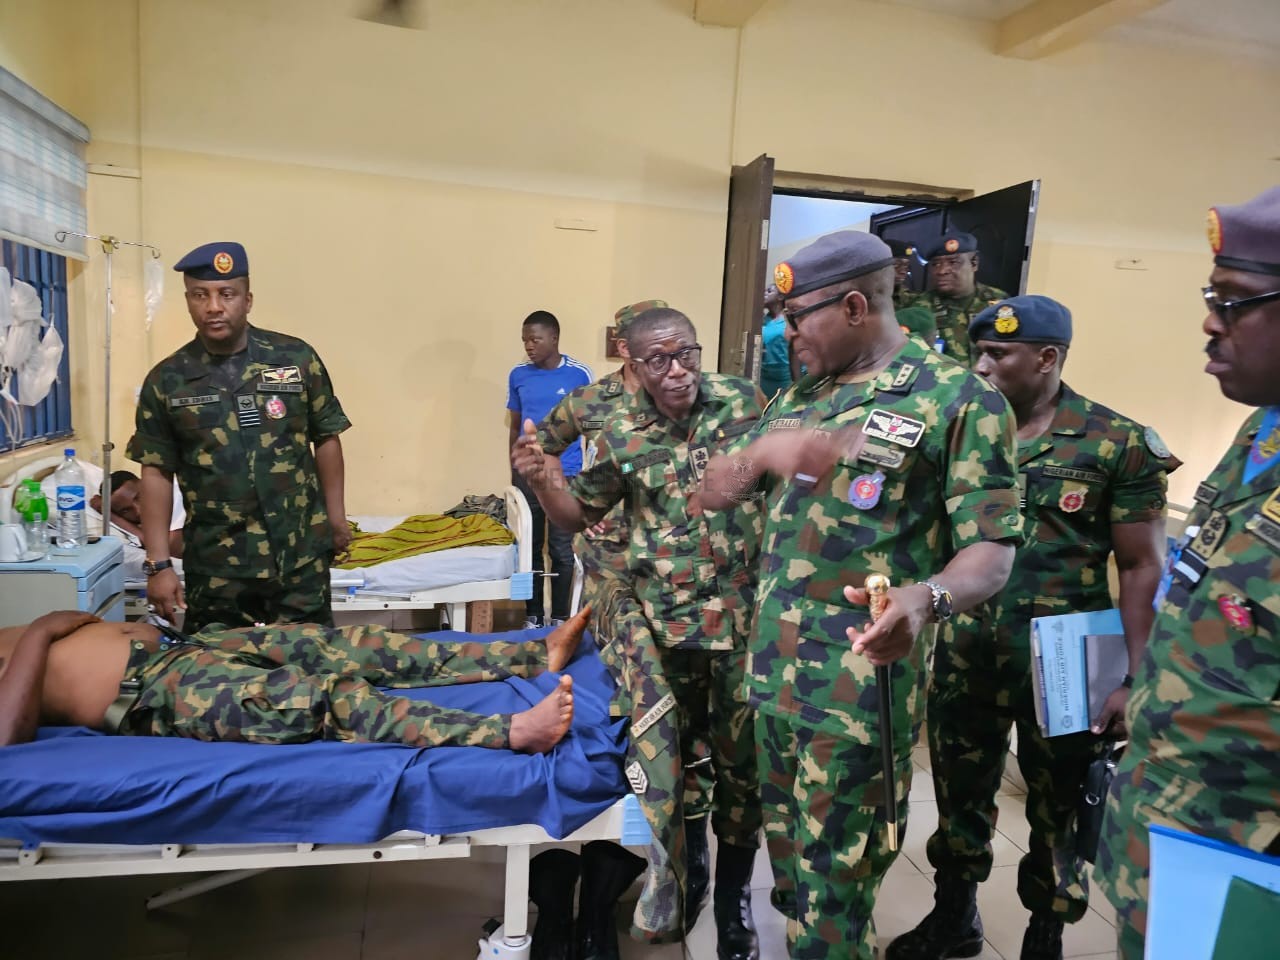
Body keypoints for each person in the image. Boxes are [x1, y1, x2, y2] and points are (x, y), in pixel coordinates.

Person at [699, 230, 1023, 960]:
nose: (786, 332)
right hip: (771, 679)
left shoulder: (959, 401)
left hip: (854, 696)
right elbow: (713, 494)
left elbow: (992, 552)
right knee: (793, 881)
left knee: (834, 896)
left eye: (796, 317)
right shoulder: (799, 395)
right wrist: (761, 451)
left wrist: (927, 598)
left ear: (852, 306)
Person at [889, 295, 1179, 960]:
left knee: (1059, 808)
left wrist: (1135, 675)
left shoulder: (1116, 442)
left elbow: (1141, 566)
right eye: (978, 353)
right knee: (959, 792)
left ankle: (1044, 935)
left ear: (1047, 358)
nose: (982, 367)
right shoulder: (957, 431)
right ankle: (954, 916)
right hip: (969, 647)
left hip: (1070, 659)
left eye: (999, 354)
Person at [513, 306, 765, 959]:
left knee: (744, 766)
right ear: (635, 363)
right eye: (659, 360)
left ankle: (735, 900)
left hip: (745, 624)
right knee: (680, 760)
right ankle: (691, 873)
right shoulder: (621, 427)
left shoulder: (743, 402)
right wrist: (544, 482)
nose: (677, 370)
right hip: (668, 627)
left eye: (687, 354)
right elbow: (577, 511)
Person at [1095, 186, 1280, 960]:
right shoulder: (1261, 432)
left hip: (1251, 876)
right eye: (1212, 298)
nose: (1210, 321)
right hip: (1175, 843)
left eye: (1233, 301)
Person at [126, 242, 351, 633]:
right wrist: (158, 564)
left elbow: (326, 438)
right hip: (217, 568)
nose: (213, 306)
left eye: (226, 294)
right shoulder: (167, 380)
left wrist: (335, 518)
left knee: (310, 660)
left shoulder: (295, 359)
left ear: (247, 300)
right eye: (200, 295)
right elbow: (156, 472)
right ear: (188, 302)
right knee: (217, 666)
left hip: (299, 558)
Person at [0, 607, 588, 752]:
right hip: (151, 693)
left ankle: (534, 654)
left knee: (348, 646)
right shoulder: (30, 637)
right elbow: (9, 734)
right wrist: (43, 631)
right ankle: (508, 732)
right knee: (324, 700)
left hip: (186, 646)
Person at [506, 309, 593, 628]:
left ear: (554, 338)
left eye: (535, 339)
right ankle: (532, 616)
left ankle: (559, 618)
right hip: (528, 475)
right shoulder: (518, 375)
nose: (528, 346)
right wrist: (514, 471)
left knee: (561, 549)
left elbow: (593, 425)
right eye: (524, 341)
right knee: (527, 548)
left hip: (565, 475)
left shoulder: (579, 374)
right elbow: (515, 426)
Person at [905, 231, 1008, 365]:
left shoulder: (999, 302)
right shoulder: (919, 308)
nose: (942, 271)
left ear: (974, 263)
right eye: (935, 264)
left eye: (953, 262)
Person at [760, 285, 799, 400]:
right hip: (763, 377)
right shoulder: (762, 320)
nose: (764, 293)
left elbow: (795, 352)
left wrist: (798, 382)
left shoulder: (788, 320)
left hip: (784, 378)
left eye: (769, 291)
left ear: (780, 297)